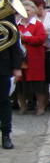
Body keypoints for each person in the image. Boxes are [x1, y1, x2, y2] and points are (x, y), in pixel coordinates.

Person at [14, 0, 48, 115]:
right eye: (23, 10)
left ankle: (40, 107)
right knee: (20, 84)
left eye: (28, 10)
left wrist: (25, 38)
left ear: (33, 12)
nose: (26, 12)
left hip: (35, 59)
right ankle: (23, 107)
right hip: (20, 59)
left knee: (38, 84)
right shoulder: (17, 24)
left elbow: (41, 39)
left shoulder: (38, 24)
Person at [0, 15, 23, 149]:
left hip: (3, 64)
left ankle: (6, 135)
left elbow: (14, 41)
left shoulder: (6, 14)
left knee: (4, 101)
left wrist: (17, 67)